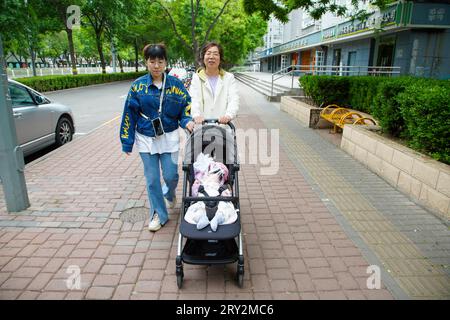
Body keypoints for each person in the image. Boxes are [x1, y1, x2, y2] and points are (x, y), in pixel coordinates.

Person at [119, 43, 195, 232]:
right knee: (152, 179)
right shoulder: (137, 86)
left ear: (165, 63)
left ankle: (170, 194)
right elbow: (129, 113)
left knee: (171, 176)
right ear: (146, 63)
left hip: (169, 137)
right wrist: (127, 141)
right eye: (152, 61)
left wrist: (187, 121)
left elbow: (186, 106)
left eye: (160, 61)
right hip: (145, 138)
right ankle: (158, 215)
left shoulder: (175, 86)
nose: (156, 65)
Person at [189, 42, 239, 125]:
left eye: (215, 54)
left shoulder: (229, 78)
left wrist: (228, 115)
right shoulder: (196, 78)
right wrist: (196, 115)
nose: (211, 57)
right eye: (208, 53)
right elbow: (194, 99)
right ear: (203, 57)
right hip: (202, 127)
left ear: (220, 58)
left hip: (224, 127)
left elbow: (234, 99)